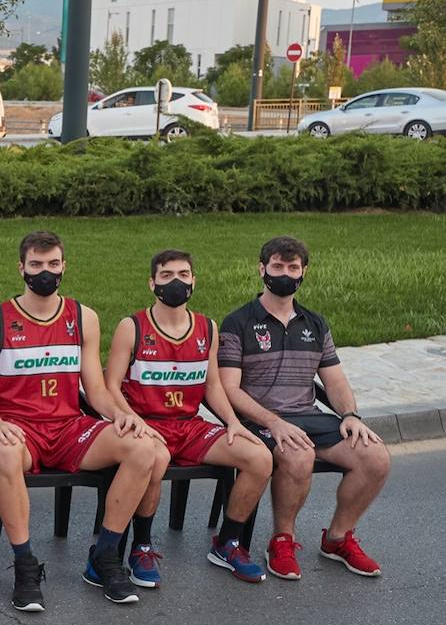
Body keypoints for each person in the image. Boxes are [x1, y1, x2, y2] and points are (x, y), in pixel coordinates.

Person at [0, 231, 169, 611]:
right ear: (21, 268)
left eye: (53, 264)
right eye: (37, 265)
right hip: (20, 426)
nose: (46, 272)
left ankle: (105, 557)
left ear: (64, 266)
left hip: (68, 426)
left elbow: (95, 390)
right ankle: (25, 566)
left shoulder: (84, 317)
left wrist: (124, 416)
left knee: (144, 448)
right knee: (7, 455)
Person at [218, 236, 390, 580]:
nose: (285, 273)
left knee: (375, 456)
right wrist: (274, 422)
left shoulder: (315, 323)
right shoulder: (238, 323)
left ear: (304, 272)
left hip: (308, 416)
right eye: (277, 266)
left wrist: (350, 416)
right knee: (298, 455)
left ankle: (338, 538)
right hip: (258, 420)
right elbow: (229, 389)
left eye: (292, 267)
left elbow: (335, 381)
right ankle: (282, 540)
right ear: (262, 269)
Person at [103, 250, 272, 585]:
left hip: (190, 425)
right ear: (152, 283)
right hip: (147, 423)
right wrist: (132, 419)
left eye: (183, 274)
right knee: (155, 458)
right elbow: (109, 385)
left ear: (194, 280)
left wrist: (232, 422)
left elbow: (212, 385)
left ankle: (228, 543)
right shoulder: (132, 326)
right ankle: (142, 546)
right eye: (167, 275)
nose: (176, 282)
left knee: (259, 457)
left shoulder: (206, 327)